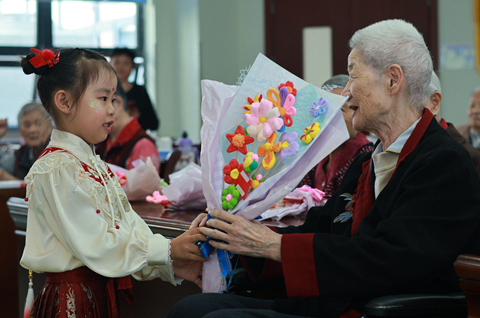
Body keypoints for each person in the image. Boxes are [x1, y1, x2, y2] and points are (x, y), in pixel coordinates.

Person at [168, 19, 480, 318]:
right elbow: (320, 227)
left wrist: (274, 246)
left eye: (352, 75)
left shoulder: (444, 162)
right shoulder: (369, 159)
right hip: (331, 301)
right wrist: (235, 235)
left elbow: (393, 259)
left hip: (372, 309)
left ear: (392, 79)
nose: (344, 93)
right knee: (192, 309)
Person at [19, 47, 206, 317]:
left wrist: (171, 262)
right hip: (72, 303)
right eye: (103, 98)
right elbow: (99, 245)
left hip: (95, 295)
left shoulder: (94, 164)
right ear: (65, 101)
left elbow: (128, 229)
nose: (111, 110)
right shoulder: (57, 168)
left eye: (113, 99)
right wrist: (168, 248)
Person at [298, 75, 373, 197]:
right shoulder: (315, 152)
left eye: (341, 110)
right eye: (325, 109)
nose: (331, 117)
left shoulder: (366, 156)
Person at [95, 83, 161, 172]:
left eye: (100, 104)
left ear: (117, 103)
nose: (94, 113)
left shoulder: (143, 146)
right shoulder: (103, 141)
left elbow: (144, 185)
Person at [424, 71, 480, 175]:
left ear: (435, 102)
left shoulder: (466, 151)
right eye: (472, 106)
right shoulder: (456, 133)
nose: (475, 111)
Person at [0, 102, 52, 180]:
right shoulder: (21, 154)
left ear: (50, 126)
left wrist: (11, 179)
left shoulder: (58, 152)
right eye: (27, 125)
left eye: (38, 123)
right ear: (20, 130)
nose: (32, 130)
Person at [110, 47, 159, 131]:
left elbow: (154, 123)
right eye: (117, 62)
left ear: (133, 66)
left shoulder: (140, 92)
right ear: (110, 65)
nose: (121, 67)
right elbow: (93, 107)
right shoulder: (104, 91)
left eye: (126, 63)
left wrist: (138, 117)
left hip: (134, 139)